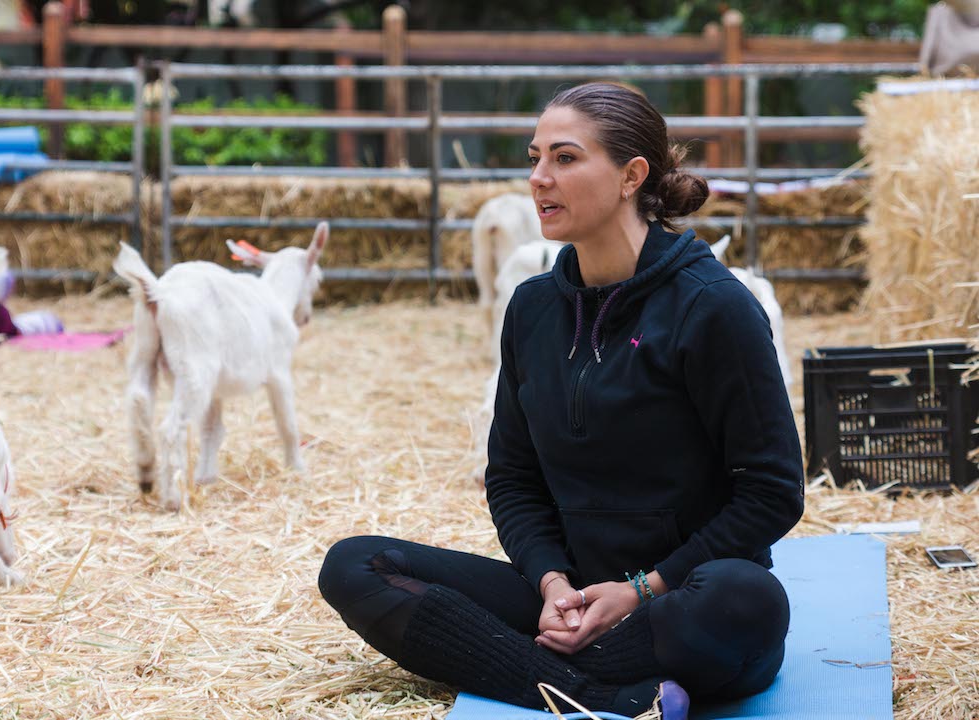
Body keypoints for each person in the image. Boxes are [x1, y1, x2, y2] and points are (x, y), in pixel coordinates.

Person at [318, 82, 804, 720]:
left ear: (632, 175)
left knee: (743, 596)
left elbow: (772, 490)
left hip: (680, 600)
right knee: (355, 564)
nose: (539, 178)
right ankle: (599, 695)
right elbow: (514, 478)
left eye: (565, 158)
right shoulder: (532, 308)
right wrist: (551, 583)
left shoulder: (713, 307)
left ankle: (523, 668)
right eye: (534, 158)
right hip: (563, 601)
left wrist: (640, 590)